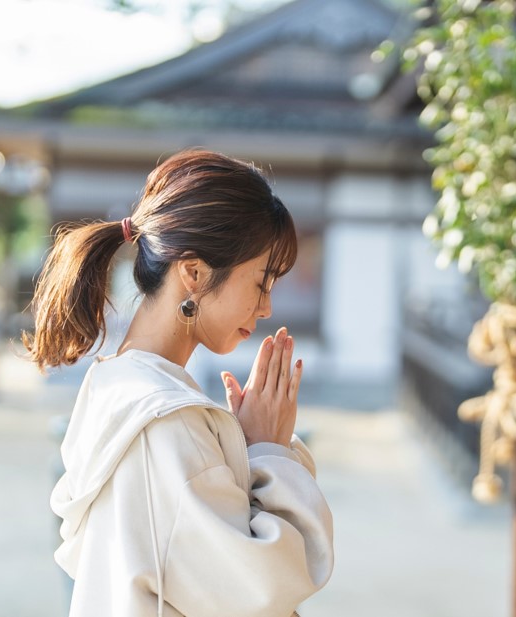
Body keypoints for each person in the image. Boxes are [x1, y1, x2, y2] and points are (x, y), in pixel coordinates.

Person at [25, 150, 332, 616]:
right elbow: (260, 591)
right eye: (261, 282)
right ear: (193, 272)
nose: (266, 307)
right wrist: (269, 451)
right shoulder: (167, 420)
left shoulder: (114, 384)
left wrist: (245, 447)